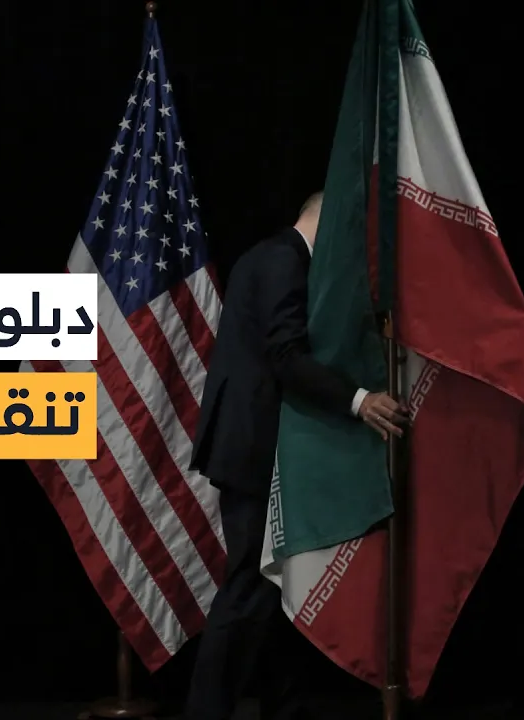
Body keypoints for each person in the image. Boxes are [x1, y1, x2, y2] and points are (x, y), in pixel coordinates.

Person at [185, 192, 408, 720]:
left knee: (273, 594)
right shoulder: (284, 259)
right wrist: (360, 400)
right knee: (248, 589)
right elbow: (286, 355)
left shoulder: (270, 257)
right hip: (253, 451)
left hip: (255, 447)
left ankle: (283, 709)